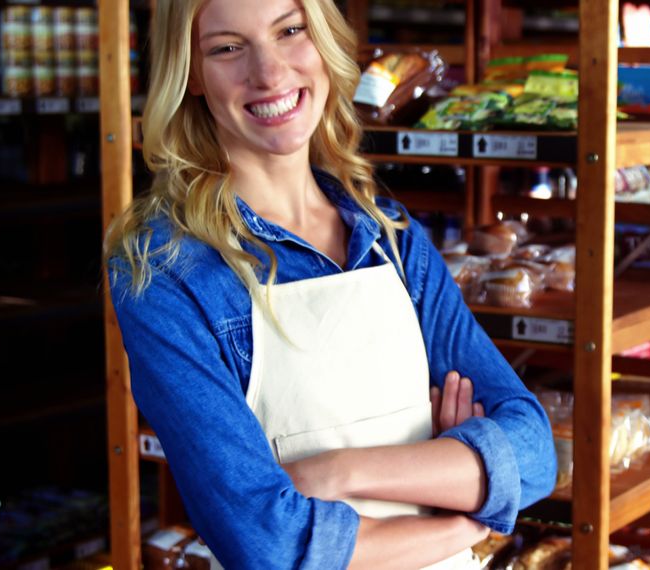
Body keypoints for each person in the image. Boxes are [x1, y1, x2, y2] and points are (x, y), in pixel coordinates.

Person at [103, 0, 557, 567]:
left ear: (323, 41)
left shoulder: (392, 237)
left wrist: (334, 473)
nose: (269, 73)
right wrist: (462, 516)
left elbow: (536, 455)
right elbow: (269, 542)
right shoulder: (164, 270)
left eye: (290, 31)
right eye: (227, 48)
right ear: (190, 72)